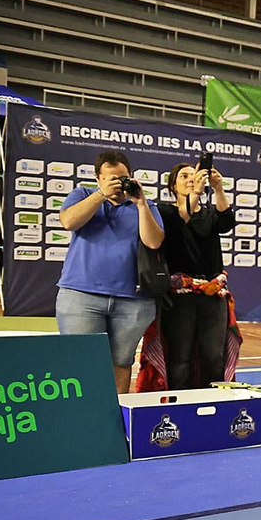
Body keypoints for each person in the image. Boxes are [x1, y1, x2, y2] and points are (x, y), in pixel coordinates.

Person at [56, 150, 166, 393]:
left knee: (121, 363)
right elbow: (68, 222)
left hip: (133, 300)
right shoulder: (83, 195)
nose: (118, 183)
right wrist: (100, 195)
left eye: (123, 177)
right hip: (81, 296)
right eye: (110, 178)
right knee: (80, 364)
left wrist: (141, 204)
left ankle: (113, 424)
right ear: (98, 178)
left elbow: (154, 241)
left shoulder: (144, 205)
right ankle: (82, 420)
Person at [155, 160, 235, 389]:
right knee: (180, 358)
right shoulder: (165, 211)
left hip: (212, 294)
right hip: (180, 297)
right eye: (184, 176)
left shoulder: (210, 214)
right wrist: (197, 192)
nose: (191, 179)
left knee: (214, 356)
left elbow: (227, 222)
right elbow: (182, 218)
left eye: (194, 175)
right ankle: (179, 407)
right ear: (172, 186)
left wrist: (218, 188)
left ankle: (213, 405)